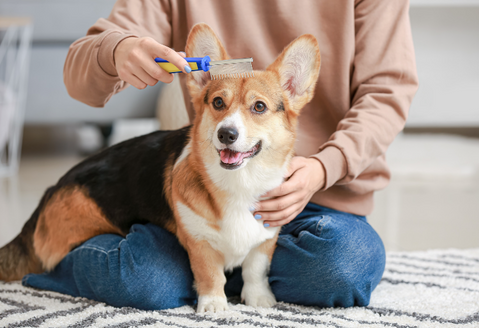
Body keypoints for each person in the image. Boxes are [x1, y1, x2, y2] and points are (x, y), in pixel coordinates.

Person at [22, 0, 418, 310]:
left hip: (312, 196)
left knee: (344, 265)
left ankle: (212, 272)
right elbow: (80, 78)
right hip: (203, 197)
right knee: (143, 281)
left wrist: (323, 166)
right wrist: (117, 49)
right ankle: (200, 267)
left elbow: (387, 92)